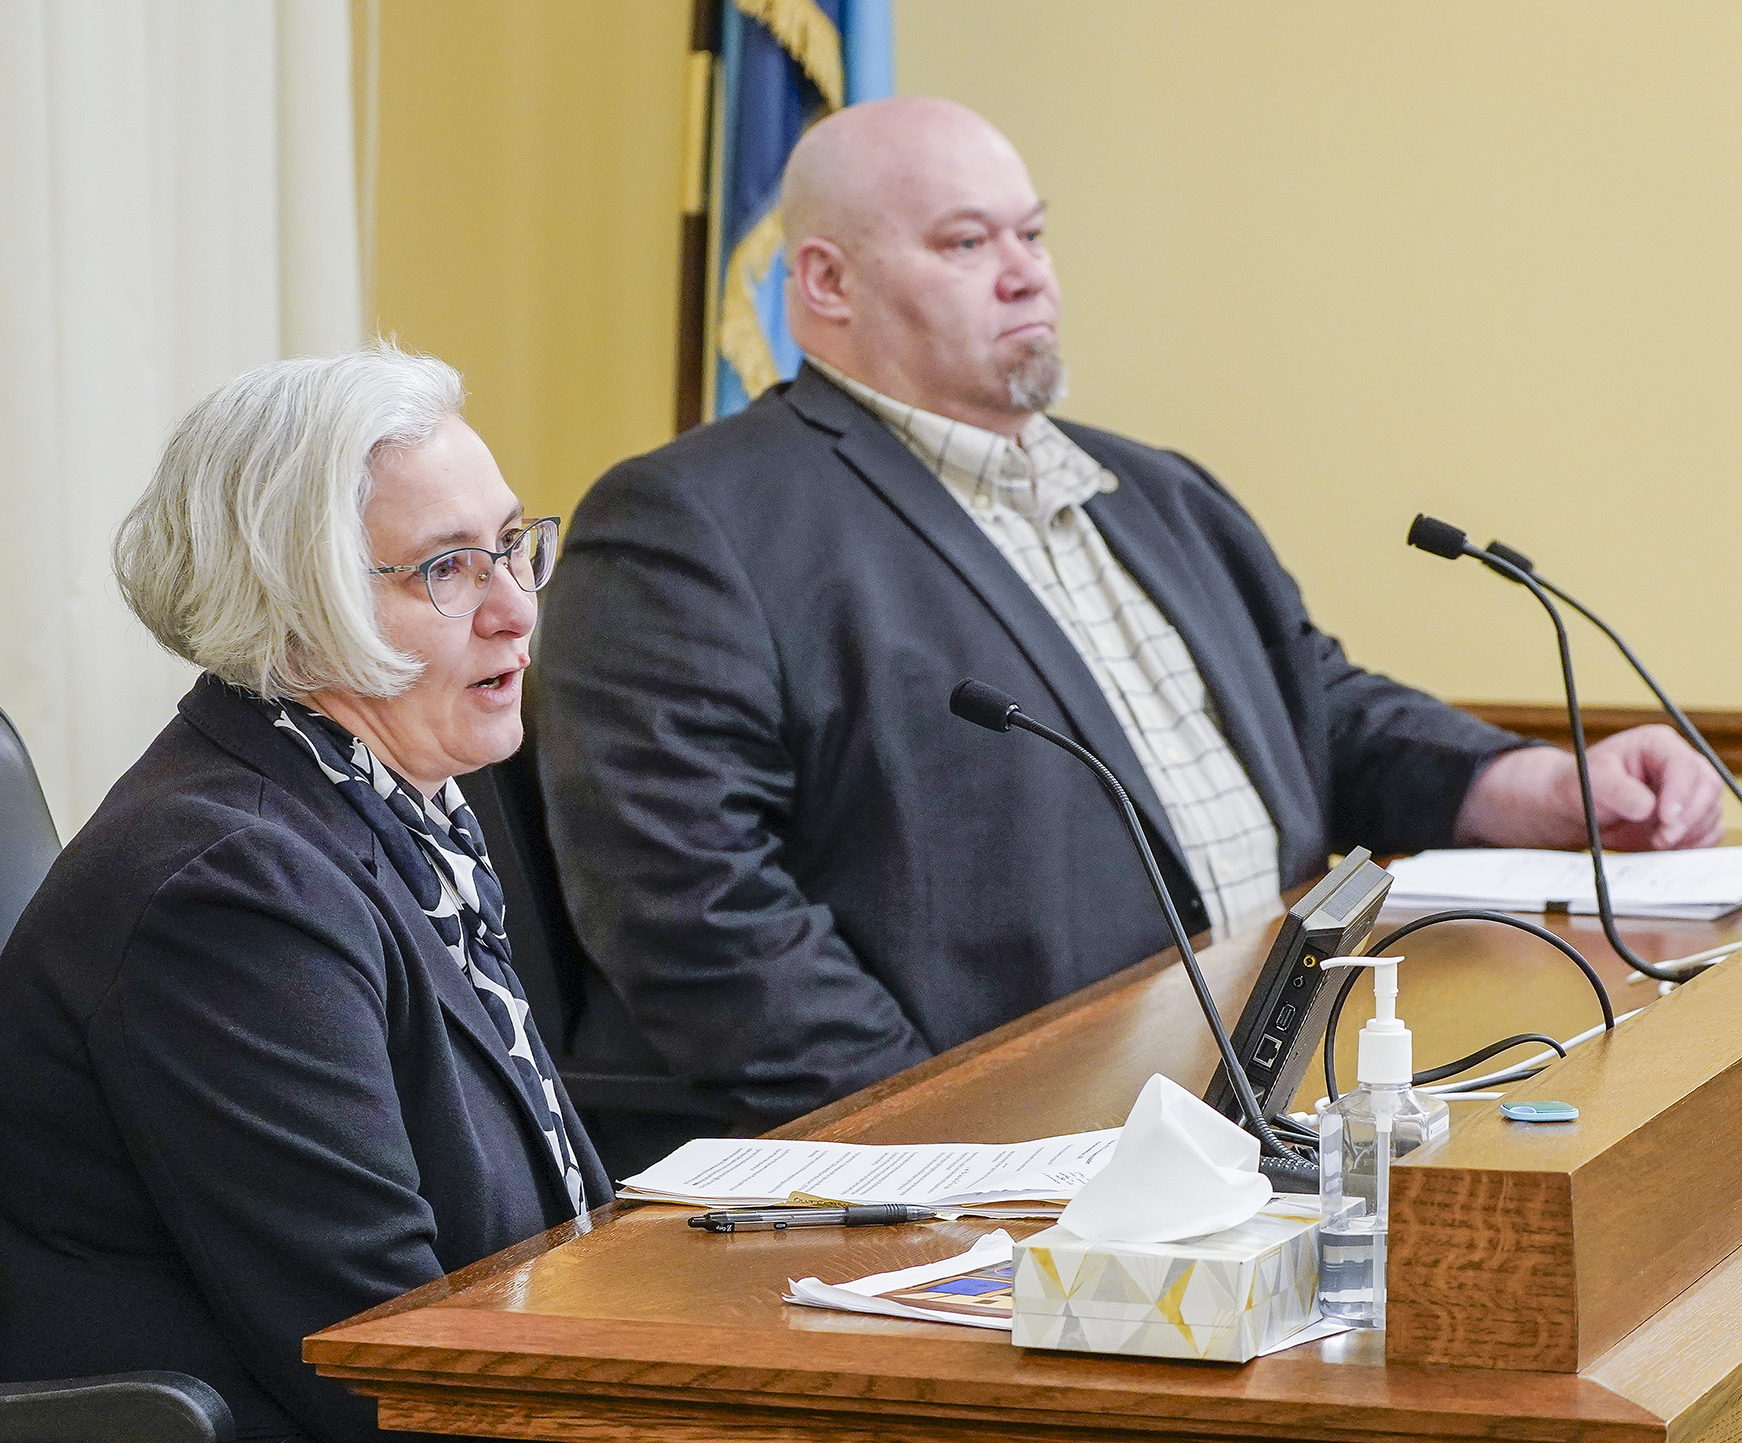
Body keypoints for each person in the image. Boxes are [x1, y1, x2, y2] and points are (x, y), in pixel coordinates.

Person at [530, 97, 1727, 1177]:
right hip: (989, 1161)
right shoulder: (696, 520)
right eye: (966, 243)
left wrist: (1526, 783)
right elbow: (689, 899)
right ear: (828, 284)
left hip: (1257, 1104)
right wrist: (932, 1132)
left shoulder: (1154, 490)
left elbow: (1317, 705)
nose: (1026, 276)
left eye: (1033, 235)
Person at [0, 347, 656, 1443]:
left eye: (510, 546)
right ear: (294, 617)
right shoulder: (229, 891)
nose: (513, 608)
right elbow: (378, 1356)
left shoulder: (399, 803)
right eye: (444, 569)